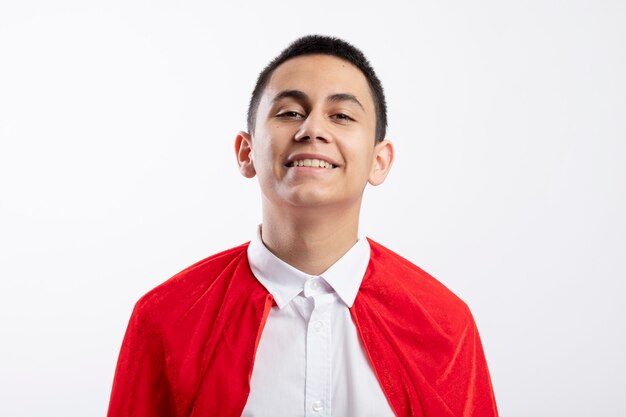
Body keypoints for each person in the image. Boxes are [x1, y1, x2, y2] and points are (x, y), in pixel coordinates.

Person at [107, 35, 499, 417]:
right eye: (290, 112)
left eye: (342, 116)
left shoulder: (444, 325)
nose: (312, 129)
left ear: (379, 161)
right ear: (247, 152)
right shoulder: (166, 319)